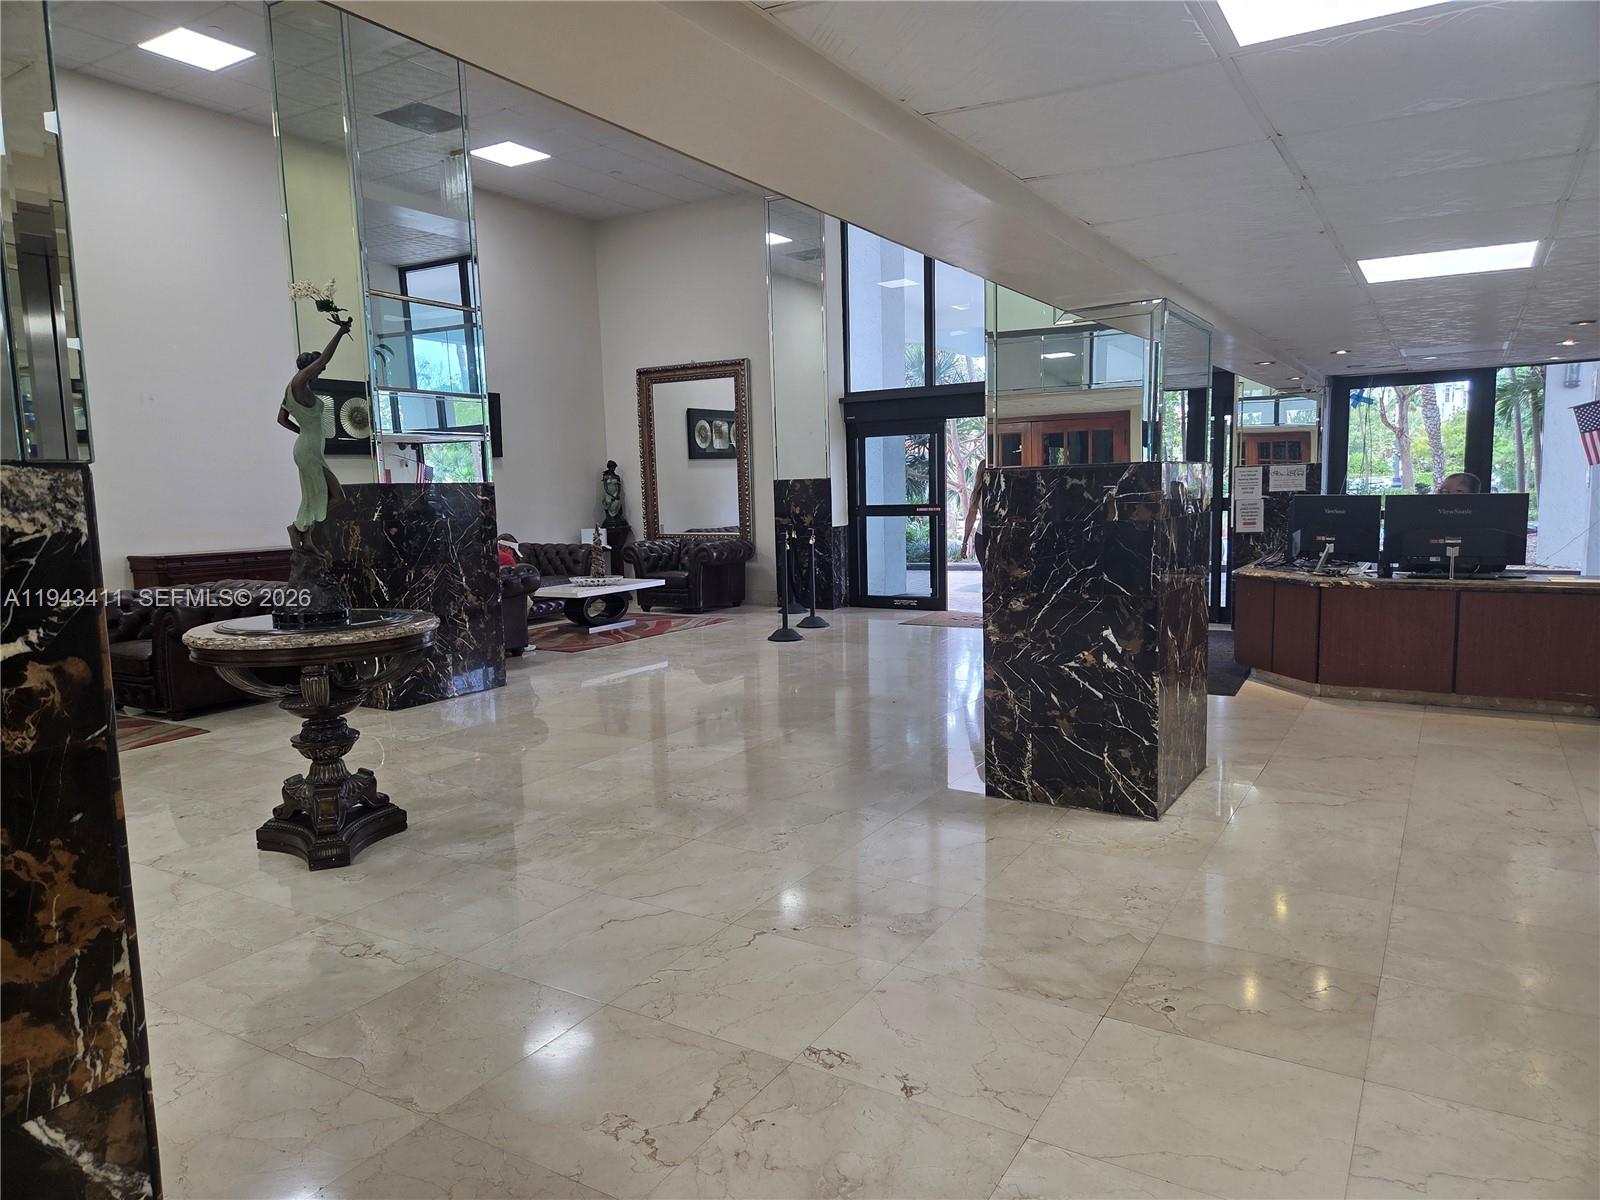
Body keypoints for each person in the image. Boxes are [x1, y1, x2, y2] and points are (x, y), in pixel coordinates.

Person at [279, 315, 353, 544]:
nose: (319, 373)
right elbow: (324, 359)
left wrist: (304, 432)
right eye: (318, 370)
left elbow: (281, 419)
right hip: (308, 450)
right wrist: (341, 332)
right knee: (332, 495)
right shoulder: (298, 382)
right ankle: (298, 527)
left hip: (308, 447)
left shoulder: (295, 389)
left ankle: (305, 532)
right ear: (309, 368)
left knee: (320, 495)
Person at [960, 459, 988, 565]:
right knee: (986, 571)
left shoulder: (1004, 490)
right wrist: (964, 542)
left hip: (1001, 537)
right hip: (982, 537)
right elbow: (971, 517)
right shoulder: (978, 493)